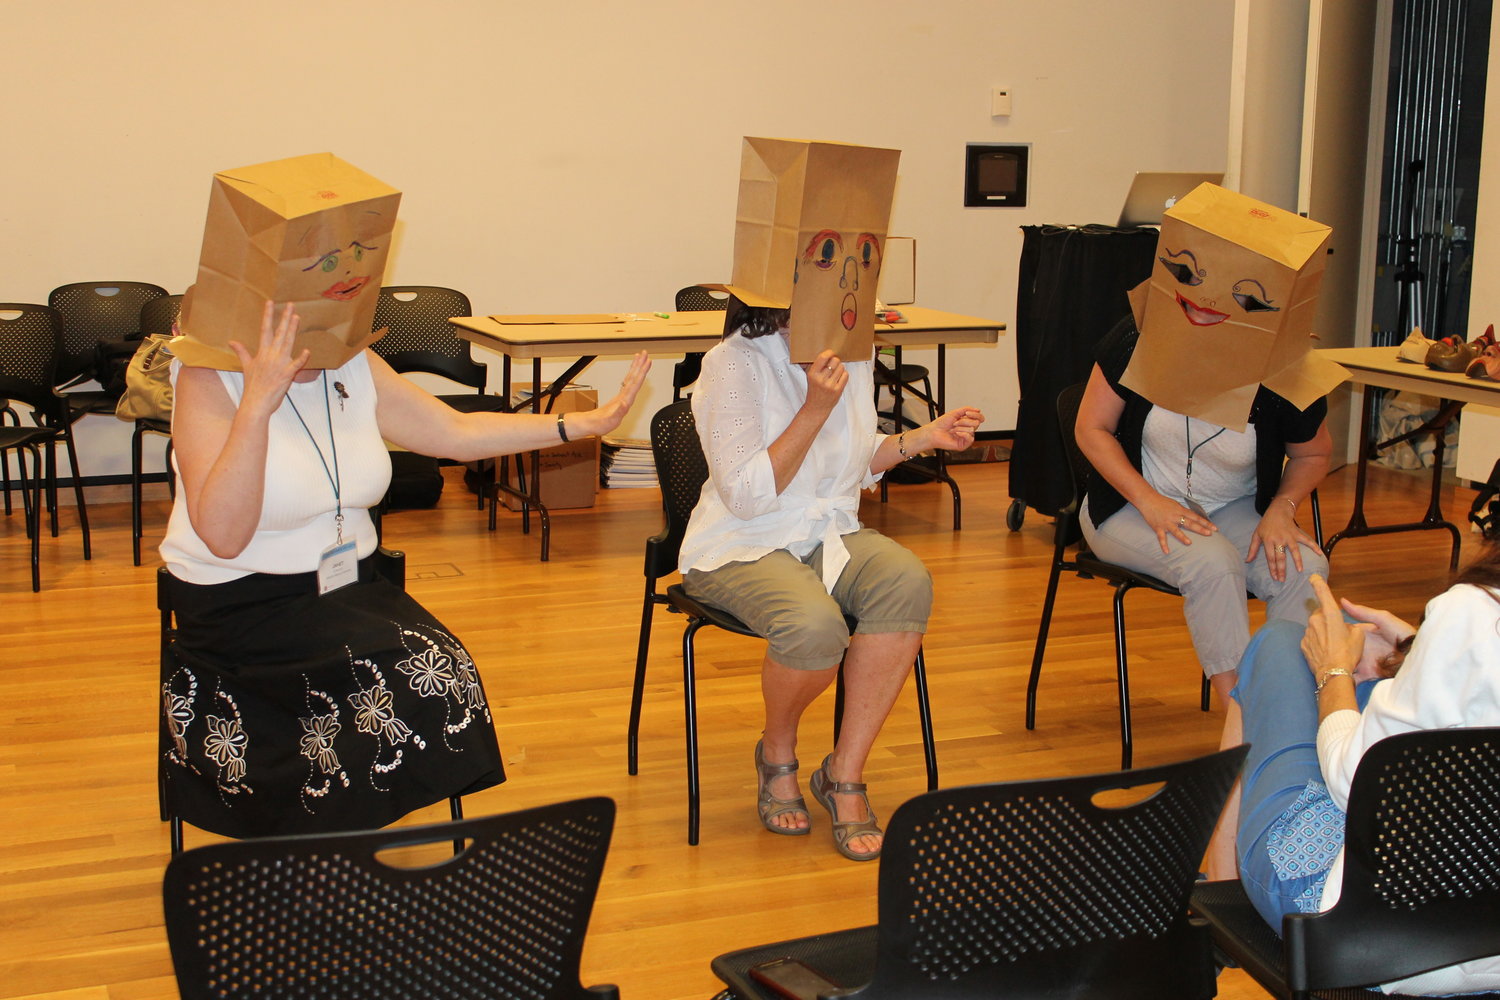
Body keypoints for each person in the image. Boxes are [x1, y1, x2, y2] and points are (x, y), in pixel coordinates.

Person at [159, 300, 650, 838]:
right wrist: (257, 404)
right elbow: (223, 537)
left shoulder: (351, 363)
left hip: (346, 589)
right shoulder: (209, 377)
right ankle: (329, 840)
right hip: (242, 604)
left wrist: (580, 423)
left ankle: (346, 836)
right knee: (400, 679)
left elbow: (454, 433)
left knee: (442, 670)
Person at [677, 299, 983, 861]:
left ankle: (844, 773)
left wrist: (923, 437)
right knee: (813, 626)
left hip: (827, 530)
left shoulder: (852, 356)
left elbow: (858, 459)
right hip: (742, 541)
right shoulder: (734, 362)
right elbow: (746, 495)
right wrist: (816, 406)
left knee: (906, 581)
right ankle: (777, 755)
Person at [1074, 314, 1332, 875]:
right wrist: (1148, 499)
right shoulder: (1138, 333)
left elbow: (1313, 454)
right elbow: (1089, 428)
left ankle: (1289, 711)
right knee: (1213, 566)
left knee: (1304, 565)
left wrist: (1282, 511)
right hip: (1131, 507)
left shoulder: (1282, 359)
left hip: (1233, 509)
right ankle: (1248, 738)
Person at [1232, 561, 1500, 995]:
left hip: (1381, 938)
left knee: (1280, 644)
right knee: (1368, 678)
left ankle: (1213, 914)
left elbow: (1353, 785)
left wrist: (1332, 671)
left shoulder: (1471, 610)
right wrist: (1416, 647)